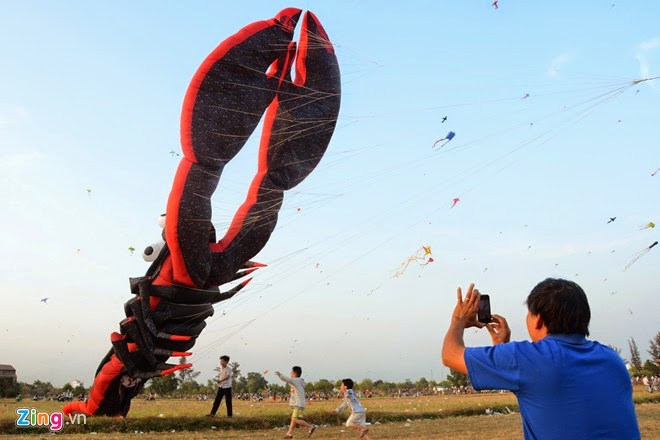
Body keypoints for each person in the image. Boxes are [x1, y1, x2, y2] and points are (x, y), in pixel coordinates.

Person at [441, 278, 641, 439]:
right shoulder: (611, 359)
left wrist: (458, 321)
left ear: (539, 320)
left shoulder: (528, 358)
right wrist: (502, 346)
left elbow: (450, 355)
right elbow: (544, 394)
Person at [275, 366, 317, 438]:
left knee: (295, 419)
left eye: (291, 372)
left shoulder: (296, 380)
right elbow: (291, 382)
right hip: (299, 403)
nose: (290, 374)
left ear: (294, 373)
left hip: (298, 404)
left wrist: (280, 374)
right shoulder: (298, 381)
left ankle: (310, 427)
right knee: (293, 420)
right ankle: (289, 434)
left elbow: (286, 379)